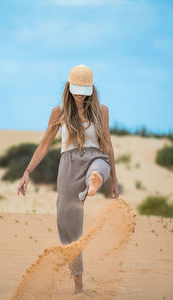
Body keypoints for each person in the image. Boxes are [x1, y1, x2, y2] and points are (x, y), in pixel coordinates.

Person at [17, 64, 120, 294]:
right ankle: (78, 285)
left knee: (98, 165)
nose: (78, 94)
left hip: (95, 157)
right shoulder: (59, 112)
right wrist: (27, 172)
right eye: (75, 89)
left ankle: (94, 180)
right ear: (68, 87)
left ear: (91, 89)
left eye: (83, 90)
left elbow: (108, 146)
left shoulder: (101, 111)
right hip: (69, 167)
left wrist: (114, 179)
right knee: (69, 229)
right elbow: (44, 145)